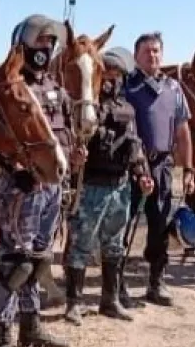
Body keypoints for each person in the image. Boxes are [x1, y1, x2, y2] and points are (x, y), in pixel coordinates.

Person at [0, 14, 72, 347]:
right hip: (22, 186)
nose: (44, 49)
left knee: (39, 257)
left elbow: (62, 131)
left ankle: (31, 325)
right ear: (21, 45)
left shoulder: (55, 87)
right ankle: (2, 338)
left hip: (52, 186)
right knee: (15, 261)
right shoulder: (8, 85)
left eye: (50, 44)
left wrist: (71, 156)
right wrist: (14, 170)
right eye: (38, 43)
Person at [64, 47, 153, 323]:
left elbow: (136, 145)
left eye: (117, 75)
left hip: (120, 187)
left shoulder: (127, 110)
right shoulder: (87, 109)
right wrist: (76, 159)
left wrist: (143, 174)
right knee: (80, 245)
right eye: (108, 74)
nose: (113, 80)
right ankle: (73, 302)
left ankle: (110, 299)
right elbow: (71, 144)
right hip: (91, 187)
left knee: (114, 246)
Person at [123, 32, 195, 307]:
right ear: (136, 55)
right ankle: (117, 284)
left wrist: (188, 168)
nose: (152, 56)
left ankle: (156, 281)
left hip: (163, 164)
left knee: (160, 224)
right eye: (146, 51)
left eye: (156, 51)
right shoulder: (127, 87)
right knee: (124, 226)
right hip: (132, 165)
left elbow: (182, 130)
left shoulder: (173, 88)